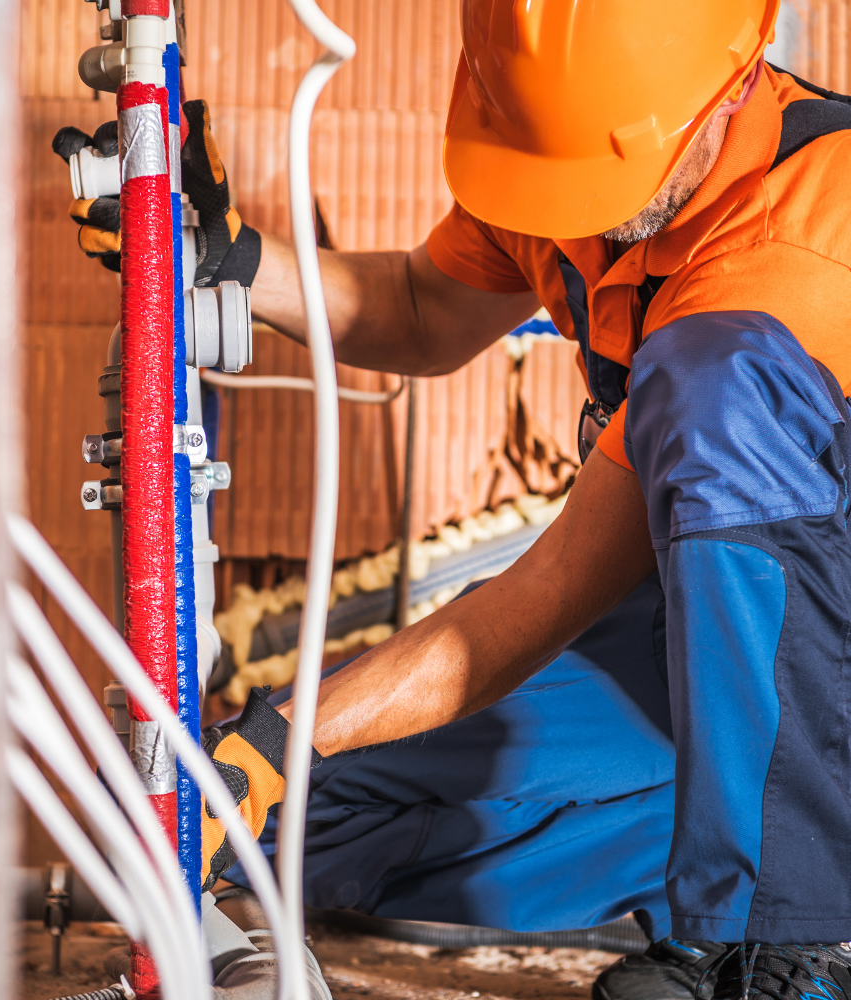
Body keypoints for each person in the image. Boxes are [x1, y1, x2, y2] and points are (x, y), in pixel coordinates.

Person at [54, 3, 851, 999]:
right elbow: (426, 310)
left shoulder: (800, 249)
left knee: (714, 381)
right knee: (308, 808)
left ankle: (783, 935)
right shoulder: (562, 155)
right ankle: (736, 855)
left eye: (599, 180)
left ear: (733, 86)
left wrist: (274, 732)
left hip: (823, 671)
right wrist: (234, 264)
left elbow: (545, 591)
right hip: (701, 661)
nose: (581, 213)